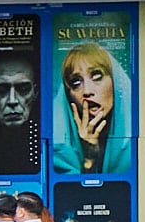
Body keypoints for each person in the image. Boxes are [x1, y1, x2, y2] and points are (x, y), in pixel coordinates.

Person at [50, 40, 134, 175]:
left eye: (97, 76)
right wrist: (89, 161)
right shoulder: (57, 149)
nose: (87, 91)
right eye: (76, 82)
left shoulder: (140, 142)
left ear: (116, 83)